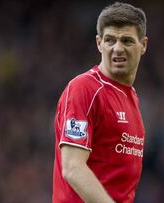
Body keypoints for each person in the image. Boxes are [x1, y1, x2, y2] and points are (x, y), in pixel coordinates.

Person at [52, 2, 148, 202]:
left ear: (143, 45)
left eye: (127, 41)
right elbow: (72, 168)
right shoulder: (84, 89)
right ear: (99, 43)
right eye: (110, 40)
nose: (117, 48)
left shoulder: (131, 98)